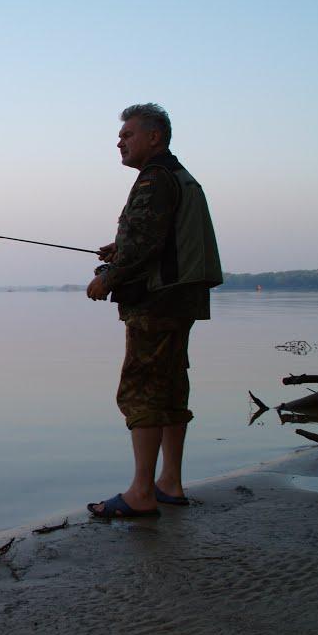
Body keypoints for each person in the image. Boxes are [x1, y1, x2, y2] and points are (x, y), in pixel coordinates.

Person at [86, 103, 222, 518]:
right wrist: (120, 246)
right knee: (170, 387)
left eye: (127, 135)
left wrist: (106, 278)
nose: (119, 142)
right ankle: (170, 483)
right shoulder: (181, 177)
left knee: (141, 389)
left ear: (154, 137)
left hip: (157, 300)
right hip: (180, 298)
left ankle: (141, 492)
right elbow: (161, 237)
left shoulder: (153, 179)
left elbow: (145, 244)